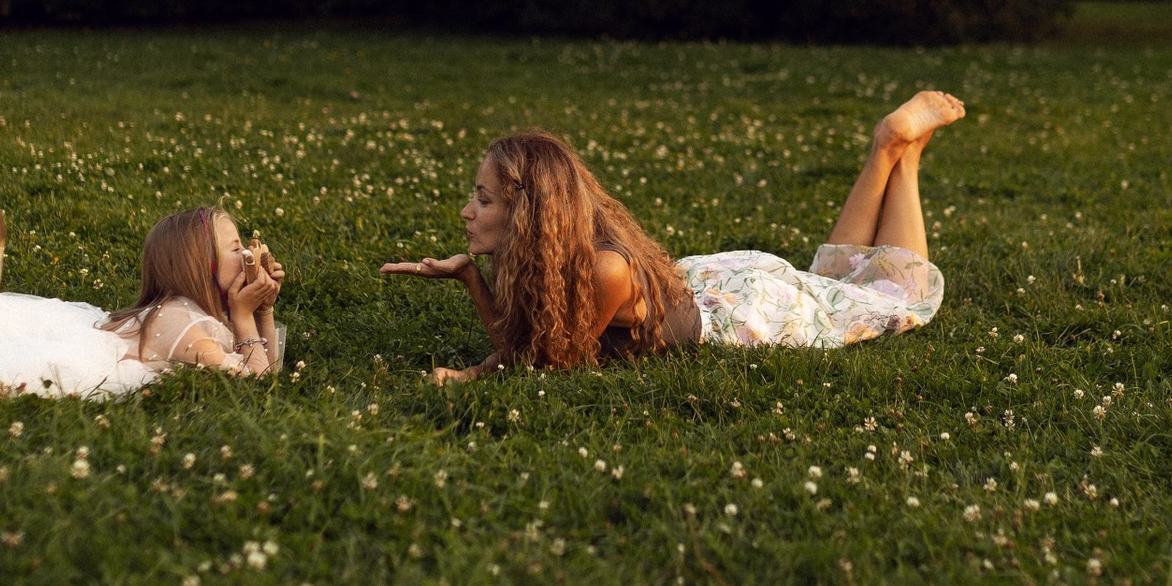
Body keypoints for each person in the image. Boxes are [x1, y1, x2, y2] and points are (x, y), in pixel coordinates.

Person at [381, 90, 963, 381]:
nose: (466, 211)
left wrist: (474, 369)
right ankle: (889, 149)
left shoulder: (605, 270)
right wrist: (468, 276)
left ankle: (903, 158)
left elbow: (549, 366)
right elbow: (529, 342)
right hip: (707, 287)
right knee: (831, 282)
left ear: (527, 213)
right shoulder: (555, 258)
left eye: (482, 200)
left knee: (891, 297)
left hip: (743, 313)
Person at [0, 201, 285, 403]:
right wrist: (246, 316)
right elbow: (256, 383)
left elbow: (267, 365)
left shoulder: (187, 315)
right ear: (196, 266)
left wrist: (261, 310)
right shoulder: (180, 324)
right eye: (236, 247)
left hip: (67, 334)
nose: (249, 253)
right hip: (56, 359)